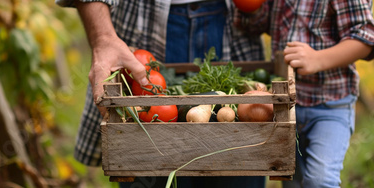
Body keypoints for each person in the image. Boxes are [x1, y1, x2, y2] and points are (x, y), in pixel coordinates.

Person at [56, 0, 267, 187]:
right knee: (144, 157)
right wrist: (103, 38)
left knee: (240, 164)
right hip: (141, 30)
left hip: (233, 29)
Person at [238, 0, 374, 187]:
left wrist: (318, 59)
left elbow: (365, 39)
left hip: (330, 104)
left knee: (320, 180)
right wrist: (251, 7)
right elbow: (261, 23)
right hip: (286, 108)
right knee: (292, 179)